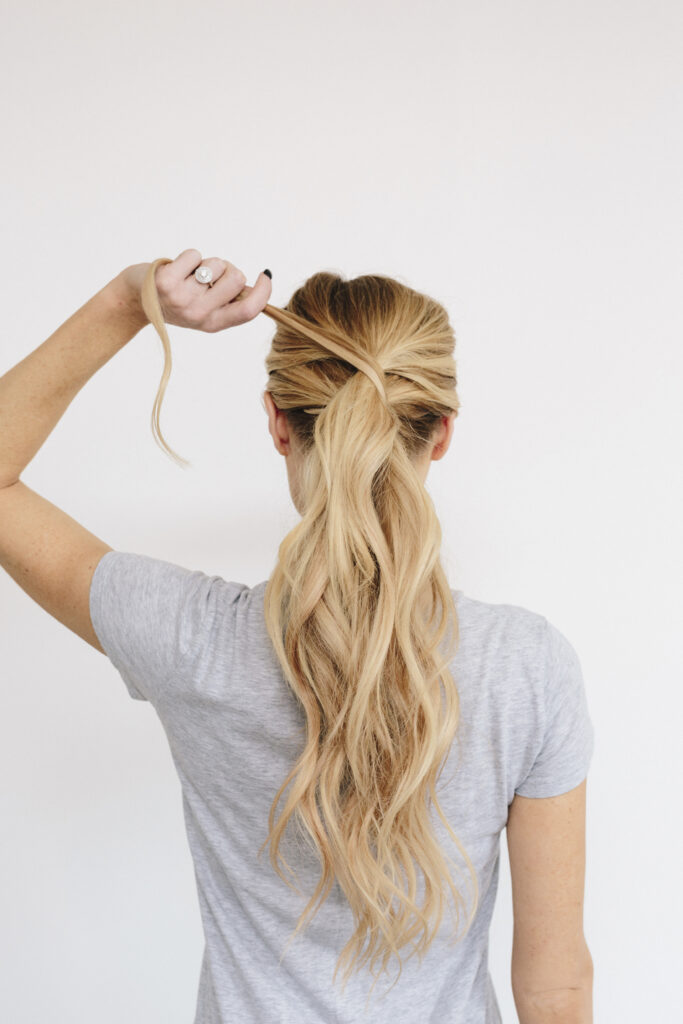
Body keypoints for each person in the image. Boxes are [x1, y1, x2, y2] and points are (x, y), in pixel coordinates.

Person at [0, 249, 595, 1023]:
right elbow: (554, 986)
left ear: (278, 424)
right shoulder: (526, 667)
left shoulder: (191, 639)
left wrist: (127, 299)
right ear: (441, 433)